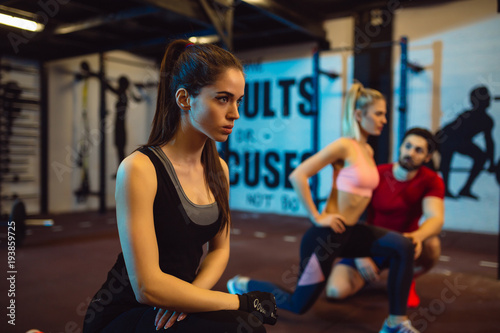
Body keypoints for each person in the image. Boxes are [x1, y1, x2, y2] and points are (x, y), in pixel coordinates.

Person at [83, 40, 277, 333]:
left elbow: (219, 250)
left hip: (173, 306)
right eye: (223, 99)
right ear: (185, 99)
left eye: (238, 101)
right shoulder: (140, 168)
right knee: (245, 325)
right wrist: (238, 302)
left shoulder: (218, 171)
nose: (235, 113)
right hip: (127, 312)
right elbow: (147, 287)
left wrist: (192, 300)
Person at [227, 82, 420, 333]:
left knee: (403, 245)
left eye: (385, 113)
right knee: (298, 304)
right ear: (360, 115)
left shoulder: (368, 150)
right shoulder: (344, 146)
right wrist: (317, 217)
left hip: (350, 232)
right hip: (326, 237)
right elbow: (298, 175)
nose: (384, 119)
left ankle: (395, 322)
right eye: (379, 113)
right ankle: (243, 284)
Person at [326, 127, 445, 308]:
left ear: (427, 157)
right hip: (371, 243)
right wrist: (360, 255)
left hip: (405, 245)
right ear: (401, 147)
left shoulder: (431, 180)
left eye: (418, 150)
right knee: (335, 291)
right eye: (408, 146)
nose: (410, 153)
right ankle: (370, 275)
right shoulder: (377, 174)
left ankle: (407, 276)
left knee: (432, 243)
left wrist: (417, 237)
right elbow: (350, 216)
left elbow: (435, 217)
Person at [436, 85, 496, 199]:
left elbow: (489, 143)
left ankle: (465, 189)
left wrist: (491, 163)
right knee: (447, 151)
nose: (488, 101)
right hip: (446, 138)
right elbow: (449, 131)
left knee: (481, 157)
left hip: (460, 142)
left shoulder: (487, 121)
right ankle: (445, 189)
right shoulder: (467, 115)